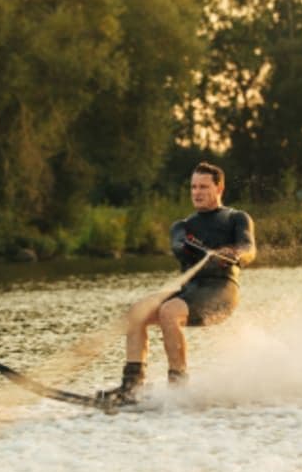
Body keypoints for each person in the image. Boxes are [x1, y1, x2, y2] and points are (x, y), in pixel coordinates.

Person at [100, 161, 256, 404]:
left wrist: (234, 254)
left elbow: (249, 249)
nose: (197, 192)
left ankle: (178, 387)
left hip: (221, 290)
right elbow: (178, 245)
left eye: (204, 187)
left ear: (219, 188)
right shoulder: (182, 226)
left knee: (169, 312)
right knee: (137, 311)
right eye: (194, 187)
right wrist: (189, 246)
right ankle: (132, 386)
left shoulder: (237, 218)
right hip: (191, 289)